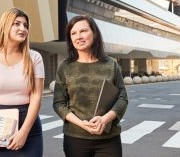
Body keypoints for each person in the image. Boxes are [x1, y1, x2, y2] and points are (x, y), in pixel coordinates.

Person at [0, 7, 44, 157]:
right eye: (16, 24)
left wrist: (23, 132)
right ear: (4, 26)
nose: (22, 28)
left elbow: (36, 96)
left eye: (25, 25)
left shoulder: (35, 57)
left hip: (28, 126)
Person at [53, 15, 128, 157]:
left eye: (83, 31)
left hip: (108, 139)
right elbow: (59, 103)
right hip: (76, 138)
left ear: (94, 33)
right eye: (73, 33)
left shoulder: (111, 64)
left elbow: (123, 98)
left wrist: (104, 119)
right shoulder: (65, 67)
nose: (78, 36)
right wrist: (82, 124)